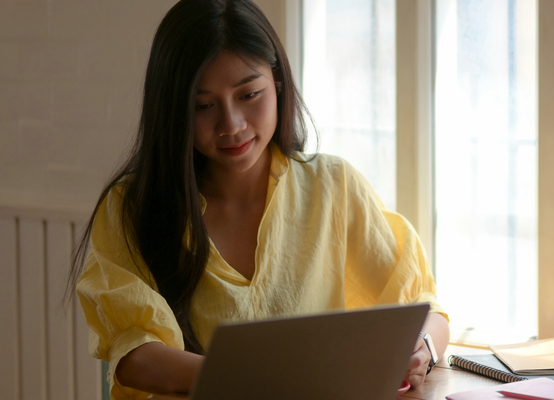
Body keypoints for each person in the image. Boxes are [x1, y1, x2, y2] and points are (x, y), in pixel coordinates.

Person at [68, 0, 450, 399]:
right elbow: (137, 355)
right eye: (203, 105)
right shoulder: (132, 206)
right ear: (172, 109)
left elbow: (425, 307)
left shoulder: (333, 186)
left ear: (278, 84)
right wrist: (272, 380)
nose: (231, 124)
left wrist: (422, 345)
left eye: (249, 94)